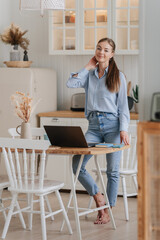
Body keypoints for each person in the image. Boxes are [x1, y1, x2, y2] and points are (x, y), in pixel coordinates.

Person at [66, 37, 130, 224]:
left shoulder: (118, 76)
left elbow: (123, 108)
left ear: (112, 54)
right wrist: (87, 67)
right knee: (77, 164)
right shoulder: (90, 75)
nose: (101, 52)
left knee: (112, 171)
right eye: (99, 48)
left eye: (106, 50)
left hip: (113, 126)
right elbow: (70, 83)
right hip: (93, 127)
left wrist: (123, 130)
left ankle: (107, 211)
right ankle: (98, 198)